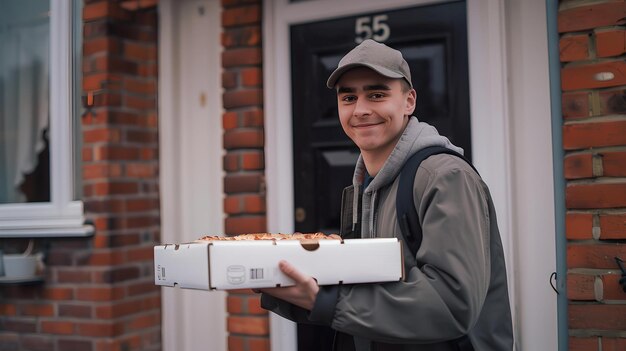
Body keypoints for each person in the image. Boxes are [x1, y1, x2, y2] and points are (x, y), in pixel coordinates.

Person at [260, 39, 514, 351]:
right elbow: (362, 289)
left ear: (409, 101)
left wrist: (328, 301)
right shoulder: (362, 187)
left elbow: (451, 305)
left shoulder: (445, 178)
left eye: (377, 94)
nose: (361, 110)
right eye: (349, 97)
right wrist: (275, 282)